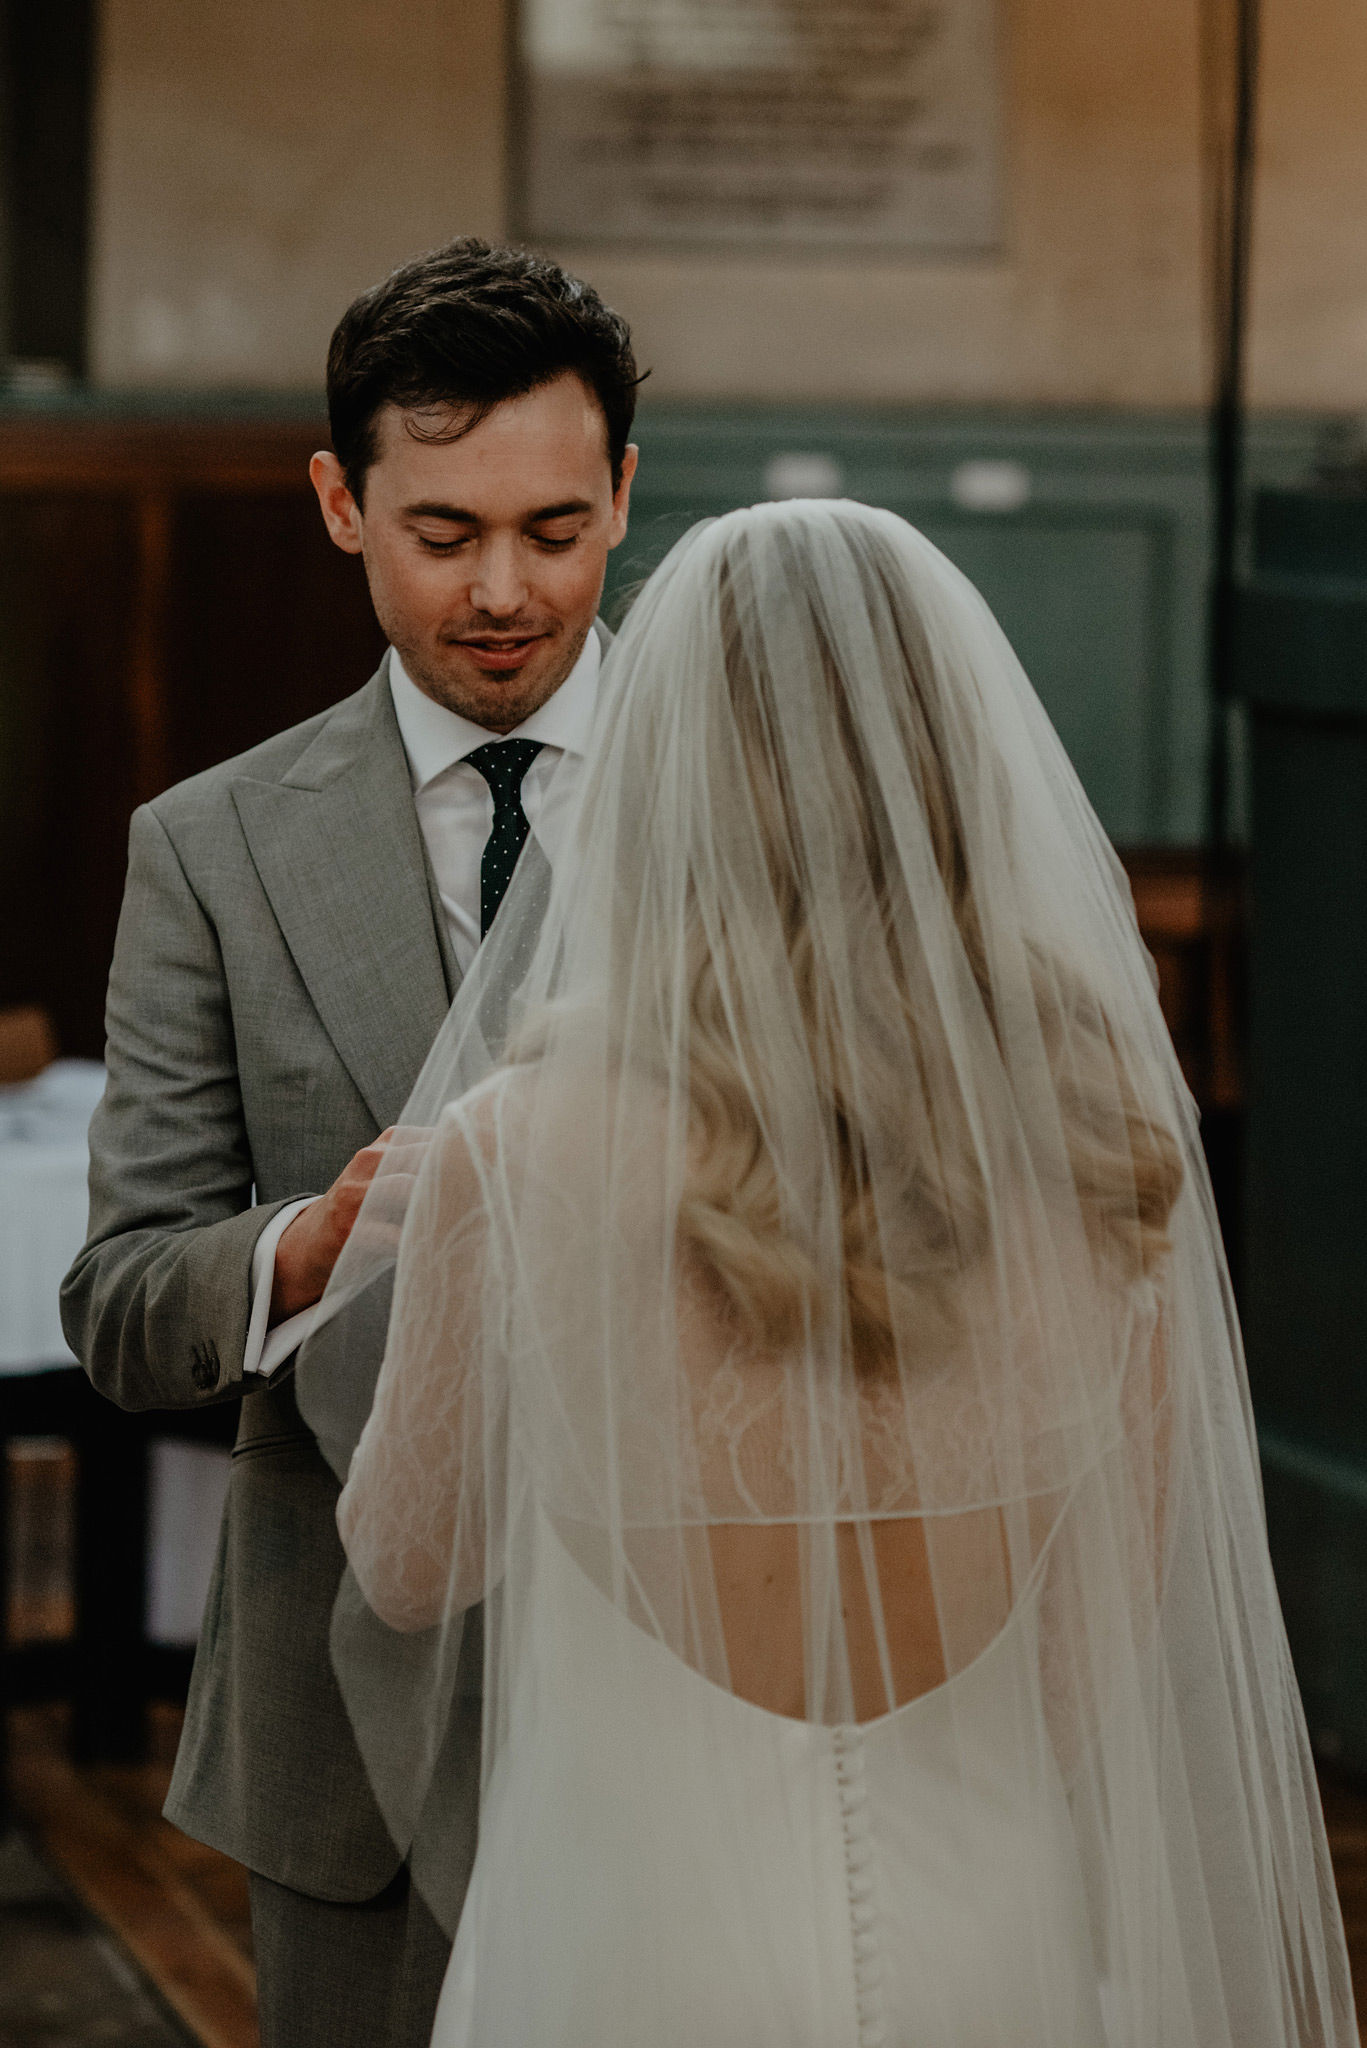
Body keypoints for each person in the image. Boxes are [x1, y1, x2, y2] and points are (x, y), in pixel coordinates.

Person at [306, 500, 1357, 2047]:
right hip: (990, 1953)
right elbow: (1087, 1686)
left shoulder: (516, 1154)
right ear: (955, 775)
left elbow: (409, 1568)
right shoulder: (1095, 1154)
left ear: (660, 784)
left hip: (629, 1950)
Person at [59, 238, 639, 2048]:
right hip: (347, 1730)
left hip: (704, 1677)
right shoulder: (210, 848)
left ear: (628, 489)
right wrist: (313, 1243)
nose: (501, 590)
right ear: (338, 503)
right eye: (442, 531)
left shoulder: (760, 814)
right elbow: (126, 1304)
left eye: (554, 528)